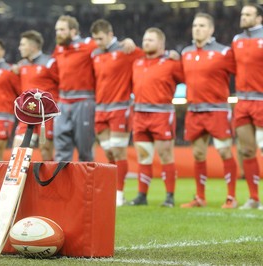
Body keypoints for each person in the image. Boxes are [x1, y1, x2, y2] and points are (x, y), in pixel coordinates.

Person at [53, 15, 135, 162]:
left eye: (62, 29)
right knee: (61, 149)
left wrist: (126, 42)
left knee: (85, 150)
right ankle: (63, 184)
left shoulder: (89, 45)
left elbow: (108, 46)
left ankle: (86, 184)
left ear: (73, 31)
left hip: (84, 100)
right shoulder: (59, 48)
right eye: (57, 29)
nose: (58, 33)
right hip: (63, 102)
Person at [180, 13, 237, 209]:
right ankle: (200, 197)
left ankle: (231, 197)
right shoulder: (185, 52)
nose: (197, 29)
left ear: (211, 29)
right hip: (194, 110)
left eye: (202, 26)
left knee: (224, 151)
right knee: (198, 154)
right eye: (195, 25)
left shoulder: (224, 52)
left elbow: (241, 71)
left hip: (217, 110)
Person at [90, 19, 144, 207]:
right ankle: (113, 189)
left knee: (119, 151)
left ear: (111, 34)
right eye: (95, 39)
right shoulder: (95, 54)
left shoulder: (125, 50)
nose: (98, 42)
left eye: (101, 38)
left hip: (120, 108)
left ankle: (119, 194)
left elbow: (150, 55)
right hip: (100, 109)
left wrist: (170, 54)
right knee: (108, 151)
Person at [128, 28, 184, 207]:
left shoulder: (171, 62)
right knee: (143, 156)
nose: (146, 43)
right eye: (144, 39)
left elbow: (187, 78)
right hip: (139, 114)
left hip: (162, 114)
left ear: (161, 43)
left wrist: (177, 57)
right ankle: (142, 196)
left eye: (150, 40)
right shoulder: (137, 63)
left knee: (166, 155)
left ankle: (169, 197)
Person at [232, 4, 263, 209]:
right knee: (247, 150)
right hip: (242, 101)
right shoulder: (237, 40)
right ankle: (253, 198)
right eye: (242, 14)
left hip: (261, 99)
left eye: (248, 14)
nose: (243, 17)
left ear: (259, 18)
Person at [13, 30, 59, 160]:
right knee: (18, 150)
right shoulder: (21, 65)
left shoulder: (50, 63)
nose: (19, 47)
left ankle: (51, 180)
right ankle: (20, 180)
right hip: (27, 113)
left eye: (23, 45)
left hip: (47, 114)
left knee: (45, 150)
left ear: (33, 46)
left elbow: (61, 84)